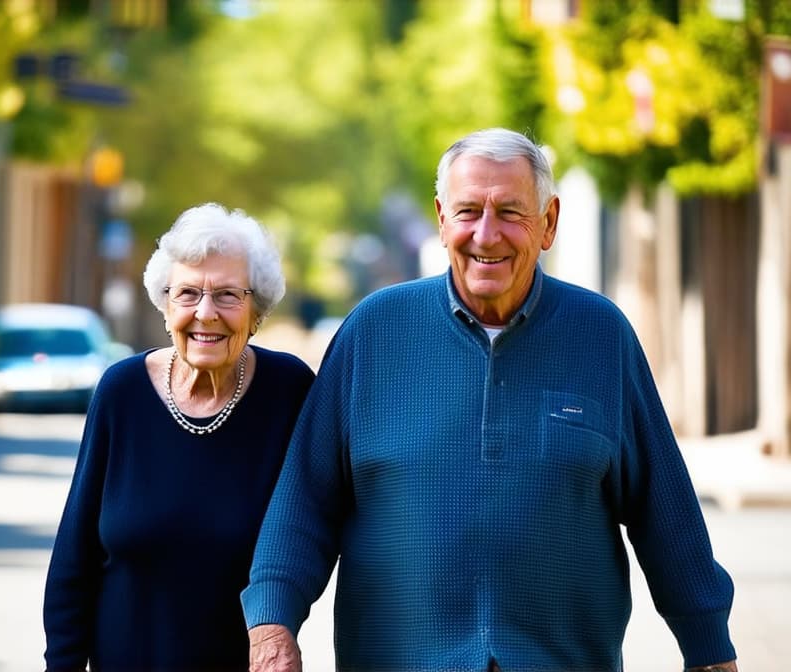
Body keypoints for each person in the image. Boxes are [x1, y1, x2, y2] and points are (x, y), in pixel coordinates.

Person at [241, 128, 738, 672]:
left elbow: (665, 512)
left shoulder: (602, 335)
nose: (486, 233)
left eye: (510, 213)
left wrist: (708, 647)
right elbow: (304, 504)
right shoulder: (373, 332)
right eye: (468, 211)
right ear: (440, 218)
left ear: (548, 222)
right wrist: (272, 625)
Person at [43, 202, 316, 671]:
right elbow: (75, 559)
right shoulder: (122, 391)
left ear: (257, 311)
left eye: (228, 295)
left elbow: (320, 527)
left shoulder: (289, 392)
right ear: (166, 307)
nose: (205, 313)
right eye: (187, 293)